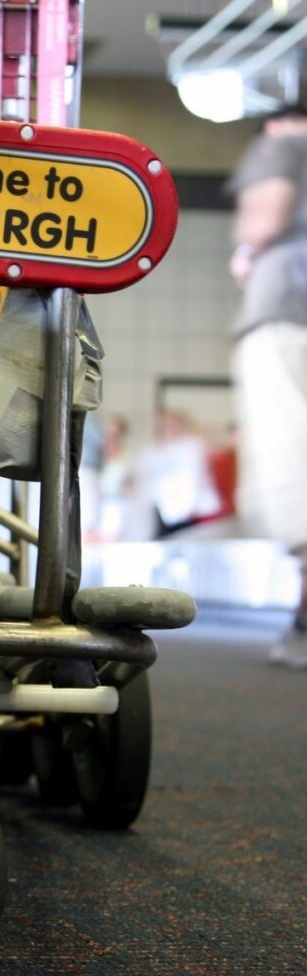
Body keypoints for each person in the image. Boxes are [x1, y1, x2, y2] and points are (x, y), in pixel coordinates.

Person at [227, 103, 307, 667]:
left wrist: (246, 251)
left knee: (290, 469)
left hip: (286, 310)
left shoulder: (282, 143)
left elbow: (267, 215)